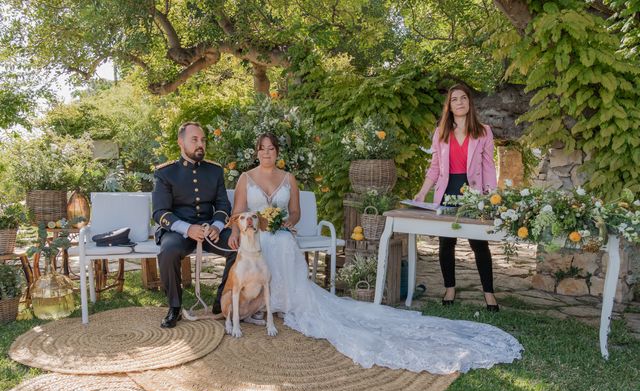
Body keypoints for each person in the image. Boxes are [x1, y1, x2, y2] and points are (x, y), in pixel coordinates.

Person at [229, 132, 522, 375]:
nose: (267, 153)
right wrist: (235, 232)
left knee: (280, 242)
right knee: (265, 244)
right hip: (253, 238)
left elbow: (295, 211)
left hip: (280, 233)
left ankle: (283, 301)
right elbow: (237, 212)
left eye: (271, 148)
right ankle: (262, 304)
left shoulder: (288, 178)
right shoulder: (246, 178)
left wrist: (285, 223)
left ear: (277, 152)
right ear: (256, 152)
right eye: (262, 149)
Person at [414, 84, 500, 311]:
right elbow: (434, 168)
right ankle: (450, 287)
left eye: (463, 98)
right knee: (446, 243)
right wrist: (423, 192)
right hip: (447, 190)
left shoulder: (483, 131)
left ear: (469, 102)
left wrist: (492, 197)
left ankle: (489, 293)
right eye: (454, 99)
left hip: (473, 193)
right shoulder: (441, 133)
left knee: (479, 243)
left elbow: (489, 167)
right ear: (449, 105)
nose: (459, 102)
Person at [152, 122, 235, 328]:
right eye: (194, 140)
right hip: (179, 231)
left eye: (203, 140)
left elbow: (223, 205)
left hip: (209, 230)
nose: (201, 144)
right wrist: (187, 228)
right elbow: (160, 212)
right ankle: (174, 307)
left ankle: (221, 302)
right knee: (168, 251)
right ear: (181, 142)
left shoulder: (214, 171)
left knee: (237, 247)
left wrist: (217, 226)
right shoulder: (165, 173)